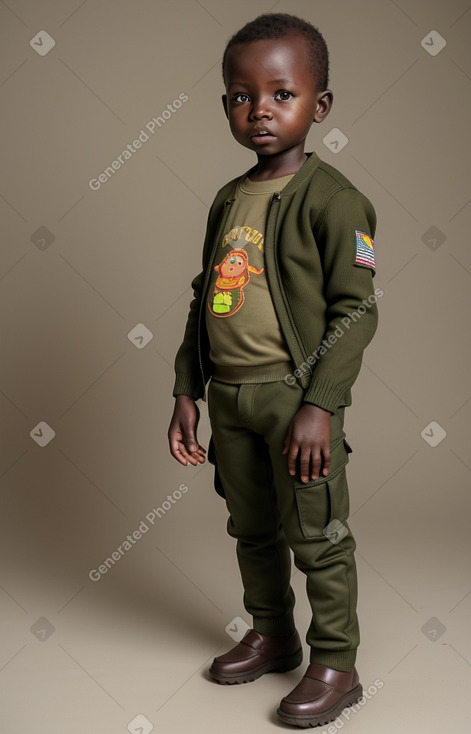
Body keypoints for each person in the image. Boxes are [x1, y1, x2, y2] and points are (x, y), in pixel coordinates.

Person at [168, 12, 380, 729]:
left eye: (280, 94)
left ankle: (336, 662)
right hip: (228, 398)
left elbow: (357, 311)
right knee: (250, 527)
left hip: (295, 401)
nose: (258, 109)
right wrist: (185, 391)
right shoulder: (229, 198)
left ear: (318, 105)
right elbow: (206, 297)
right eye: (239, 95)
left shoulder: (334, 199)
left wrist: (319, 405)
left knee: (316, 534)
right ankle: (272, 633)